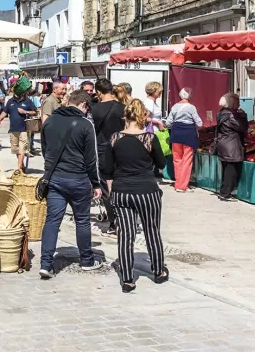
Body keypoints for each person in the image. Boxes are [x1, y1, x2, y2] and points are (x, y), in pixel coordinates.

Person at [38, 89, 103, 278]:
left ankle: (46, 264)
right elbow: (92, 158)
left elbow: (45, 149)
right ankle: (86, 260)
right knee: (82, 220)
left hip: (55, 178)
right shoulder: (85, 124)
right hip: (79, 179)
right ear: (83, 105)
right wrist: (96, 184)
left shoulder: (49, 121)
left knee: (52, 221)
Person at [107, 99, 168, 292]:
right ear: (143, 117)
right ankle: (158, 270)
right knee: (151, 231)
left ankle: (127, 278)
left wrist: (111, 191)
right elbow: (161, 164)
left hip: (122, 191)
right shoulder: (150, 138)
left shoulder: (115, 138)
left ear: (126, 116)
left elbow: (107, 169)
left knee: (125, 235)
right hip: (147, 191)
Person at [92, 78, 125, 237]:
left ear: (99, 92)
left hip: (102, 150)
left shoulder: (95, 108)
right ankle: (124, 218)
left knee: (106, 186)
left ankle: (113, 221)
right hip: (120, 148)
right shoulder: (122, 108)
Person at [167, 88, 203, 193]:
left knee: (177, 159)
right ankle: (182, 185)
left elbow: (169, 123)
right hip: (189, 135)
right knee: (187, 160)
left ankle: (178, 183)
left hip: (176, 133)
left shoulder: (174, 107)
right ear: (190, 96)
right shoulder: (191, 108)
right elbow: (199, 123)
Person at [214, 93, 249, 201]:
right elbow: (242, 128)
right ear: (232, 102)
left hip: (224, 144)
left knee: (226, 169)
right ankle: (225, 194)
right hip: (231, 145)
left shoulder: (221, 114)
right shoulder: (231, 116)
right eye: (237, 101)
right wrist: (243, 117)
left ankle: (224, 191)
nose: (239, 103)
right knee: (231, 170)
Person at [4, 77, 37, 171]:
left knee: (22, 149)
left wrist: (25, 112)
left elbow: (35, 112)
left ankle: (18, 169)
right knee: (16, 150)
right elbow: (5, 111)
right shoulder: (10, 101)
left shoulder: (28, 101)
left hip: (24, 129)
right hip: (13, 129)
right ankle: (21, 165)